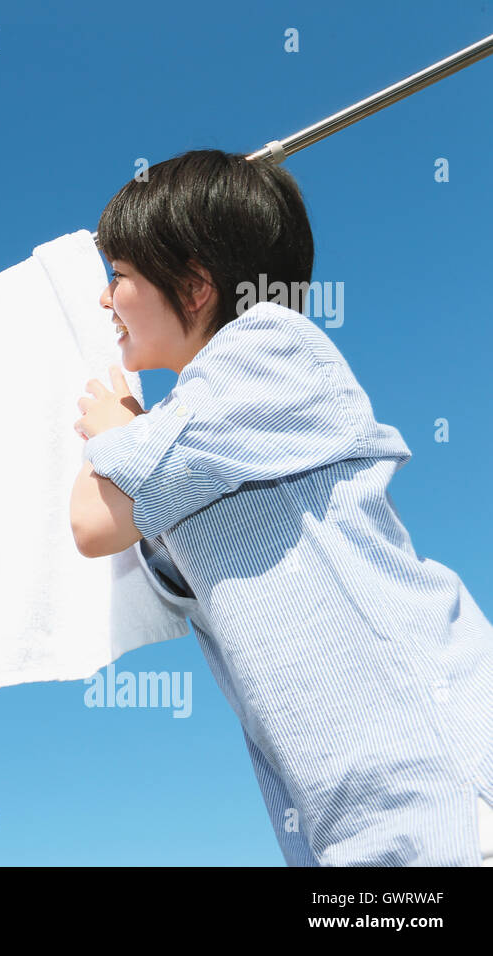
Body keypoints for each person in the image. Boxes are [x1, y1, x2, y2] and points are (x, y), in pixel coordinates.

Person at [68, 149, 493, 866]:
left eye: (122, 276)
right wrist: (131, 439)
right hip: (363, 825)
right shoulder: (194, 425)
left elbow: (94, 523)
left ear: (196, 285)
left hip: (441, 791)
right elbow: (134, 545)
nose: (105, 300)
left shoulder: (263, 350)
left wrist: (115, 431)